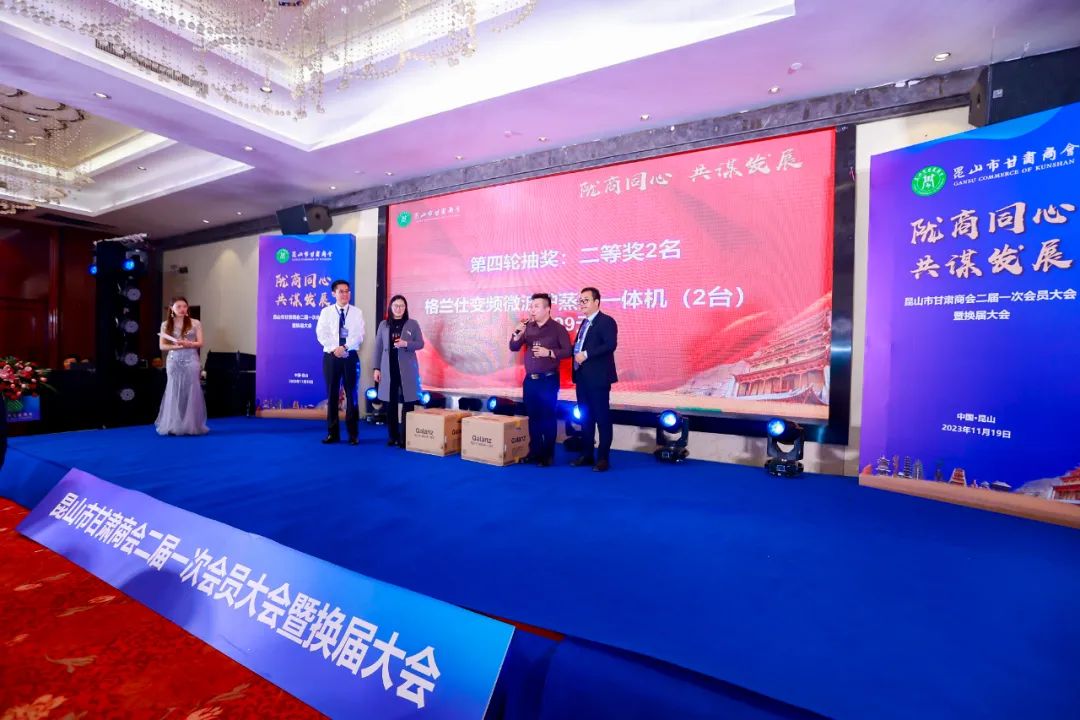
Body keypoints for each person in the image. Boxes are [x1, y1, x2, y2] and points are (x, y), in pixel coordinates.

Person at [509, 293, 571, 466]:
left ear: (547, 309)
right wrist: (517, 333)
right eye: (531, 306)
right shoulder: (528, 327)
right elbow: (513, 347)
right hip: (530, 381)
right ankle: (534, 452)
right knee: (533, 417)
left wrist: (549, 352)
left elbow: (567, 351)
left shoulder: (557, 329)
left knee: (547, 417)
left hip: (548, 380)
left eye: (536, 306)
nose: (532, 310)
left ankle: (548, 455)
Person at [571, 287, 618, 472]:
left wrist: (586, 354)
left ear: (596, 302)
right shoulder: (584, 323)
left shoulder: (606, 321)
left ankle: (603, 458)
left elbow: (610, 345)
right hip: (582, 378)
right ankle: (587, 454)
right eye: (580, 300)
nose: (582, 304)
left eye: (586, 300)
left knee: (602, 418)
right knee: (586, 418)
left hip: (598, 379)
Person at [315, 279, 364, 445]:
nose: (345, 294)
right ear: (333, 293)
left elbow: (359, 335)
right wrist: (335, 349)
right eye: (341, 291)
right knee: (332, 394)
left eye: (347, 291)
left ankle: (353, 434)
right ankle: (333, 433)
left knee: (352, 395)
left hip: (350, 356)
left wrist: (344, 347)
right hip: (331, 357)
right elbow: (321, 334)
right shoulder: (326, 312)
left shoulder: (357, 313)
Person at [372, 295, 425, 447]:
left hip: (407, 369)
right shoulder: (383, 325)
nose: (399, 308)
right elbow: (378, 347)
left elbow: (420, 344)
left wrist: (406, 344)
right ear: (391, 307)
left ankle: (405, 437)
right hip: (388, 368)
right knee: (391, 403)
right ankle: (393, 436)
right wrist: (376, 368)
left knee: (408, 402)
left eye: (402, 306)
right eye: (396, 305)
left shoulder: (412, 323)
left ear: (405, 308)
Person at [155, 296, 209, 436]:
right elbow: (162, 346)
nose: (182, 309)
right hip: (174, 360)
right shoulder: (166, 324)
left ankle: (191, 425)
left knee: (192, 390)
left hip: (191, 359)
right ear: (171, 308)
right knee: (174, 389)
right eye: (178, 306)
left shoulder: (195, 323)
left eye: (184, 306)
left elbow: (200, 343)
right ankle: (174, 424)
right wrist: (177, 346)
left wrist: (188, 344)